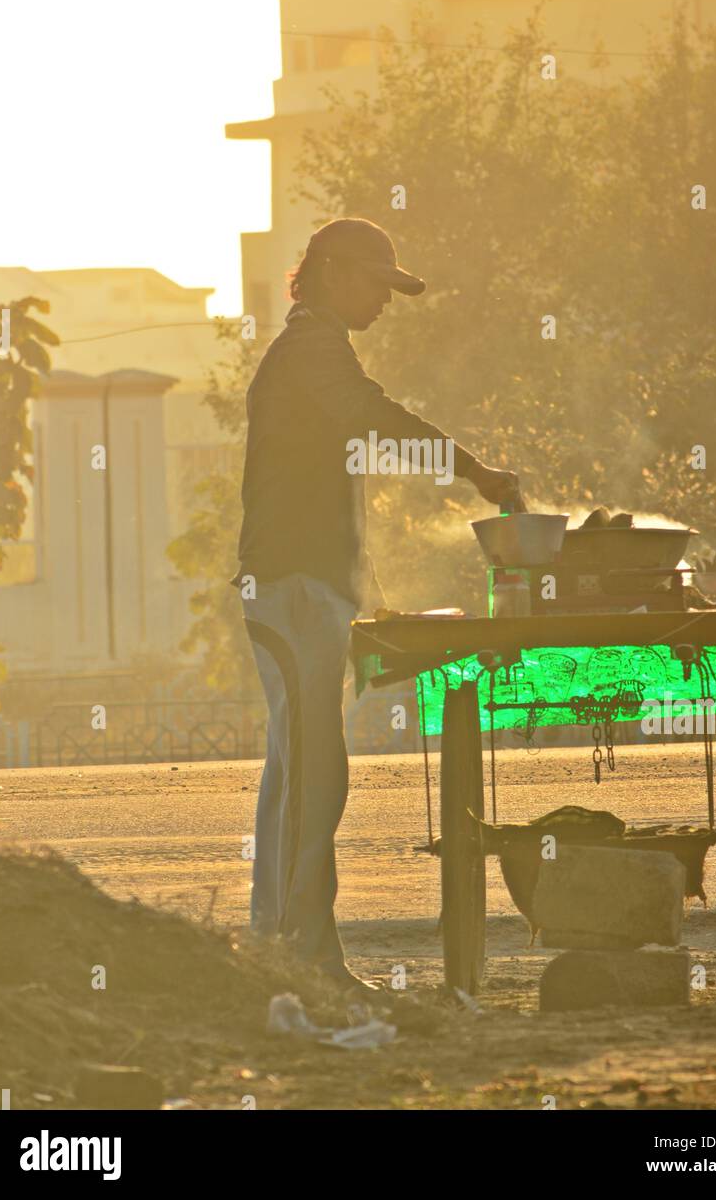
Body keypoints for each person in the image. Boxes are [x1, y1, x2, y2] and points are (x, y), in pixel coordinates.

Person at [232, 217, 519, 992]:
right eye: (375, 283)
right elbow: (376, 417)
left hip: (299, 588)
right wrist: (476, 473)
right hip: (290, 589)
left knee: (297, 768)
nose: (384, 302)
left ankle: (281, 954)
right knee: (313, 774)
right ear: (330, 272)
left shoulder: (315, 348)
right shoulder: (310, 350)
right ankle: (298, 962)